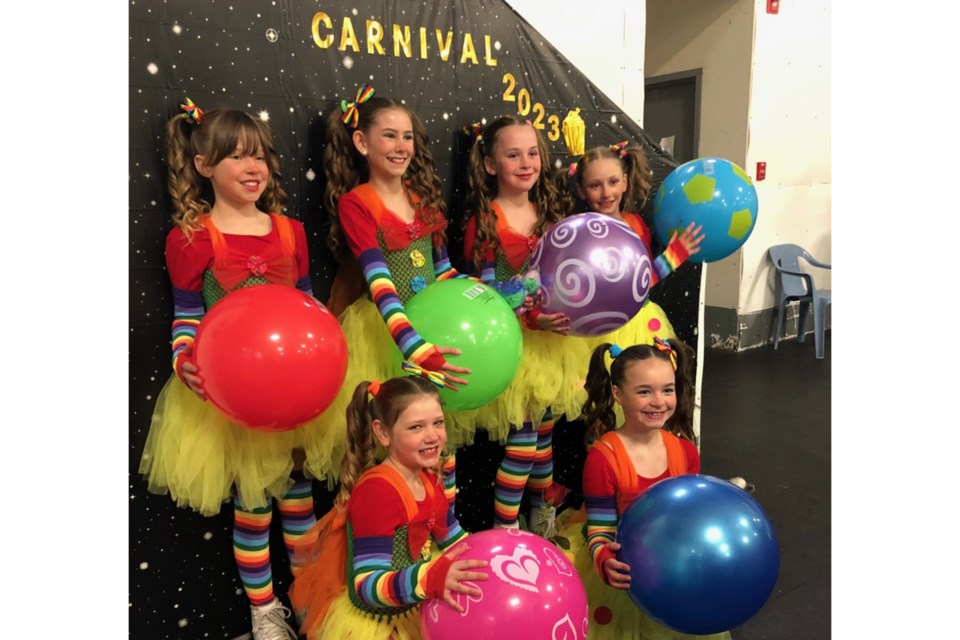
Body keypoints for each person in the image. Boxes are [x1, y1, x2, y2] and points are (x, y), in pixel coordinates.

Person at [138, 99, 320, 639]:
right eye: (236, 157)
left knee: (301, 503)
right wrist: (185, 360)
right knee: (253, 508)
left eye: (259, 155)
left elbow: (309, 310)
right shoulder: (192, 238)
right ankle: (264, 613)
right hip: (233, 401)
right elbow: (186, 317)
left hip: (297, 396)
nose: (252, 167)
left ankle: (311, 597)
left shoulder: (290, 232)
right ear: (202, 166)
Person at [304, 84, 483, 473]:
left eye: (407, 136)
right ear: (361, 142)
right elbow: (379, 282)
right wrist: (413, 345)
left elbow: (442, 271)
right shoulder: (358, 204)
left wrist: (481, 293)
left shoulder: (421, 198)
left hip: (429, 330)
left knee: (435, 447)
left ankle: (437, 530)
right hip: (386, 336)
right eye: (389, 135)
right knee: (389, 452)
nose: (401, 145)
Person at [457, 116, 589, 536]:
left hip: (554, 348)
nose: (526, 162)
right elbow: (489, 293)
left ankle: (542, 518)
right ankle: (506, 531)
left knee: (545, 438)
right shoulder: (488, 221)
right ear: (492, 164)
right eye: (513, 154)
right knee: (521, 445)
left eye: (532, 153)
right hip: (516, 347)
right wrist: (533, 315)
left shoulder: (550, 212)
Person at [288, 373, 488, 639]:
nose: (432, 436)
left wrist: (491, 562)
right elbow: (366, 585)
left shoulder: (428, 475)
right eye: (416, 427)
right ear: (383, 432)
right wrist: (428, 579)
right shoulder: (378, 492)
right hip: (382, 622)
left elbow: (454, 539)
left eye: (437, 423)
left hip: (418, 600)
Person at [558, 338, 732, 640]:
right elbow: (599, 528)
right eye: (644, 391)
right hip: (629, 572)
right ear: (618, 394)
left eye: (667, 389)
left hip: (675, 570)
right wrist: (603, 558)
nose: (658, 401)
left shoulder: (685, 452)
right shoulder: (604, 458)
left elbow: (692, 518)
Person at [570, 141, 704, 351]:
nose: (606, 193)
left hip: (640, 321)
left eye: (613, 182)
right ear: (581, 190)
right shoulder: (582, 233)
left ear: (624, 182)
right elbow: (625, 288)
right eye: (595, 185)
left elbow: (643, 280)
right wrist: (673, 256)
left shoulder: (636, 224)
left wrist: (674, 254)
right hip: (602, 326)